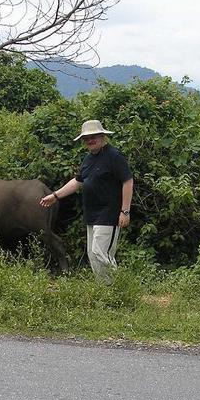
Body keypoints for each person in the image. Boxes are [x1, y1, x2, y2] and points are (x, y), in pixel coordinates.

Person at [39, 119, 133, 283]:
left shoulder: (114, 156)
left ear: (102, 136)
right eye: (86, 138)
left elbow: (128, 181)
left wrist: (125, 211)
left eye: (93, 136)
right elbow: (77, 182)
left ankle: (119, 287)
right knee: (92, 253)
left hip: (109, 214)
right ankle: (104, 289)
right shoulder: (88, 159)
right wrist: (55, 196)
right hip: (92, 214)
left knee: (100, 252)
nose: (90, 140)